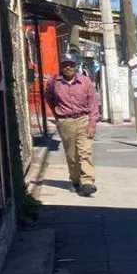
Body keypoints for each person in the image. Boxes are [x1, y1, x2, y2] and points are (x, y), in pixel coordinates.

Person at [44, 58, 100, 196]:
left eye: (71, 65)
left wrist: (92, 123)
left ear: (76, 67)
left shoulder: (85, 81)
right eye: (64, 65)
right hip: (65, 121)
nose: (68, 68)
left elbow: (93, 103)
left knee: (84, 151)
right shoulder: (54, 82)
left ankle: (87, 182)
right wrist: (58, 116)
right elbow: (49, 98)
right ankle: (75, 181)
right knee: (71, 154)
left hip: (83, 119)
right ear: (61, 67)